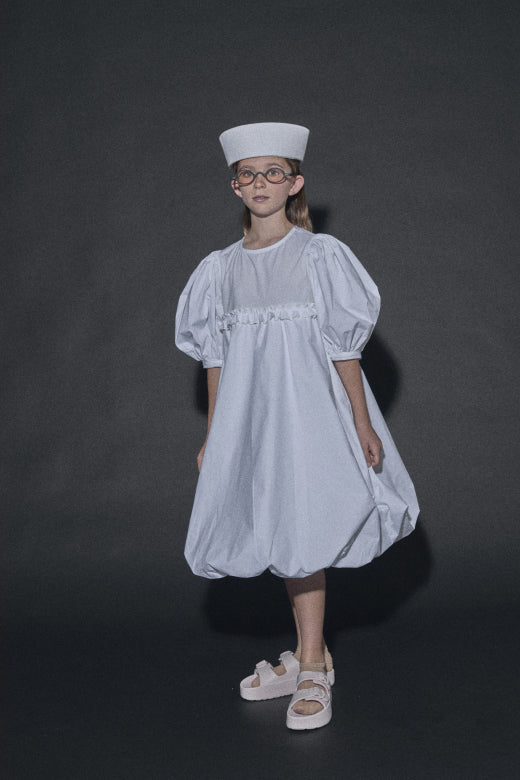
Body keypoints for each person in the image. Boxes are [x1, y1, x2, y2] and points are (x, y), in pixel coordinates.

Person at [175, 122, 419, 731]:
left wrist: (362, 422)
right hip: (254, 420)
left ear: (295, 183)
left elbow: (344, 349)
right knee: (282, 527)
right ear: (235, 186)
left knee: (304, 526)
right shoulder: (219, 271)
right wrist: (215, 433)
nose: (261, 182)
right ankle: (314, 654)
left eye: (273, 173)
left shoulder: (318, 255)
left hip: (310, 414)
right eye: (249, 174)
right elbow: (215, 359)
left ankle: (311, 665)